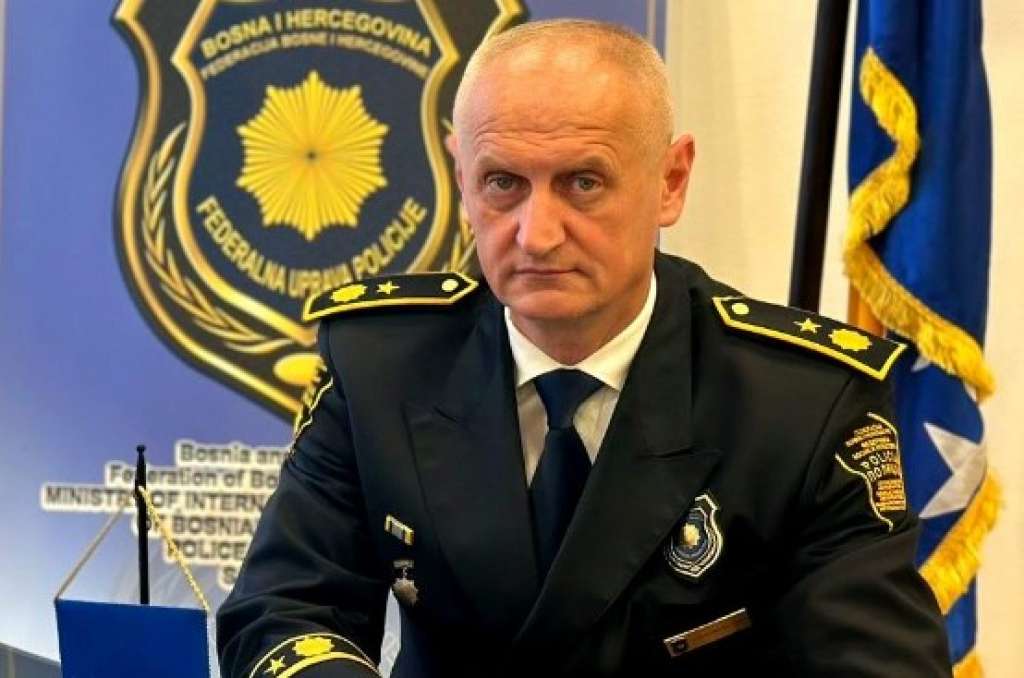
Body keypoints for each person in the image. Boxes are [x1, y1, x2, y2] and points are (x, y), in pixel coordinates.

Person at [217, 19, 951, 677]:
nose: (537, 234)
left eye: (583, 182)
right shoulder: (380, 364)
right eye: (503, 182)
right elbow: (284, 612)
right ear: (461, 177)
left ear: (670, 180)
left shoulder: (803, 404)